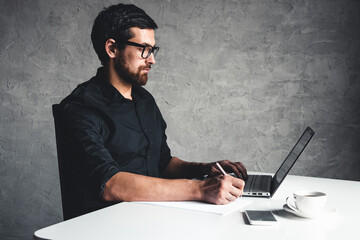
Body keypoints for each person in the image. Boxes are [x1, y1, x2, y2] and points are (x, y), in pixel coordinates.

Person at [59, 3, 247, 216]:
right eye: (144, 49)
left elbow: (162, 163)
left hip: (152, 214)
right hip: (104, 225)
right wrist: (201, 188)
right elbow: (110, 185)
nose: (152, 60)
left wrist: (205, 169)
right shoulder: (80, 107)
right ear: (112, 48)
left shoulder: (144, 100)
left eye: (153, 49)